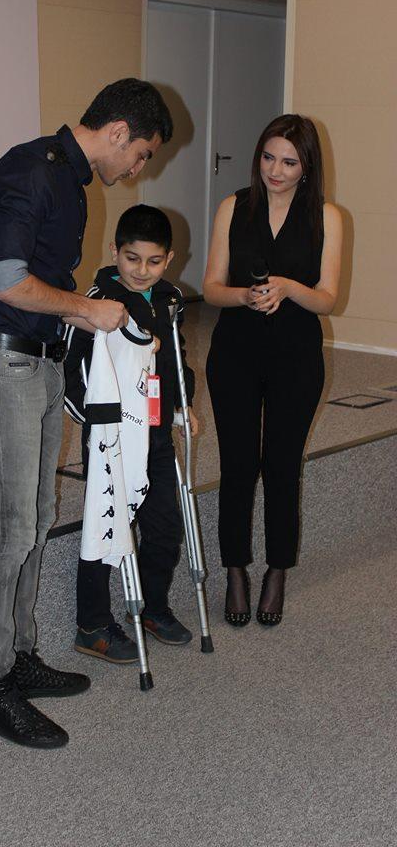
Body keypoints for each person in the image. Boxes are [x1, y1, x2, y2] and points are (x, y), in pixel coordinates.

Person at [0, 79, 173, 748]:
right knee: (9, 528)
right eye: (141, 154)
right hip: (4, 364)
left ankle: (19, 656)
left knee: (37, 517)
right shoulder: (31, 171)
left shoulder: (69, 183)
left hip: (40, 363)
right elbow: (5, 282)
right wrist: (86, 308)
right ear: (118, 132)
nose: (136, 169)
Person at [203, 114, 342, 627]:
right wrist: (244, 295)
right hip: (235, 352)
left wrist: (288, 287)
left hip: (297, 356)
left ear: (307, 167)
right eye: (268, 157)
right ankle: (235, 569)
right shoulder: (233, 207)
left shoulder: (327, 216)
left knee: (283, 467)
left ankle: (277, 570)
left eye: (288, 162)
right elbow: (211, 287)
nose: (275, 171)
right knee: (238, 465)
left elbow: (327, 299)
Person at [63, 205, 198, 662]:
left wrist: (182, 403)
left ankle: (153, 606)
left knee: (165, 526)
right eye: (132, 258)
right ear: (114, 251)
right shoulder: (97, 300)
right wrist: (92, 422)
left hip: (155, 434)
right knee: (105, 525)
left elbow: (175, 358)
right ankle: (92, 624)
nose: (142, 270)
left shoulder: (170, 298)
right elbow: (71, 369)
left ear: (170, 258)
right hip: (113, 436)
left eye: (154, 261)